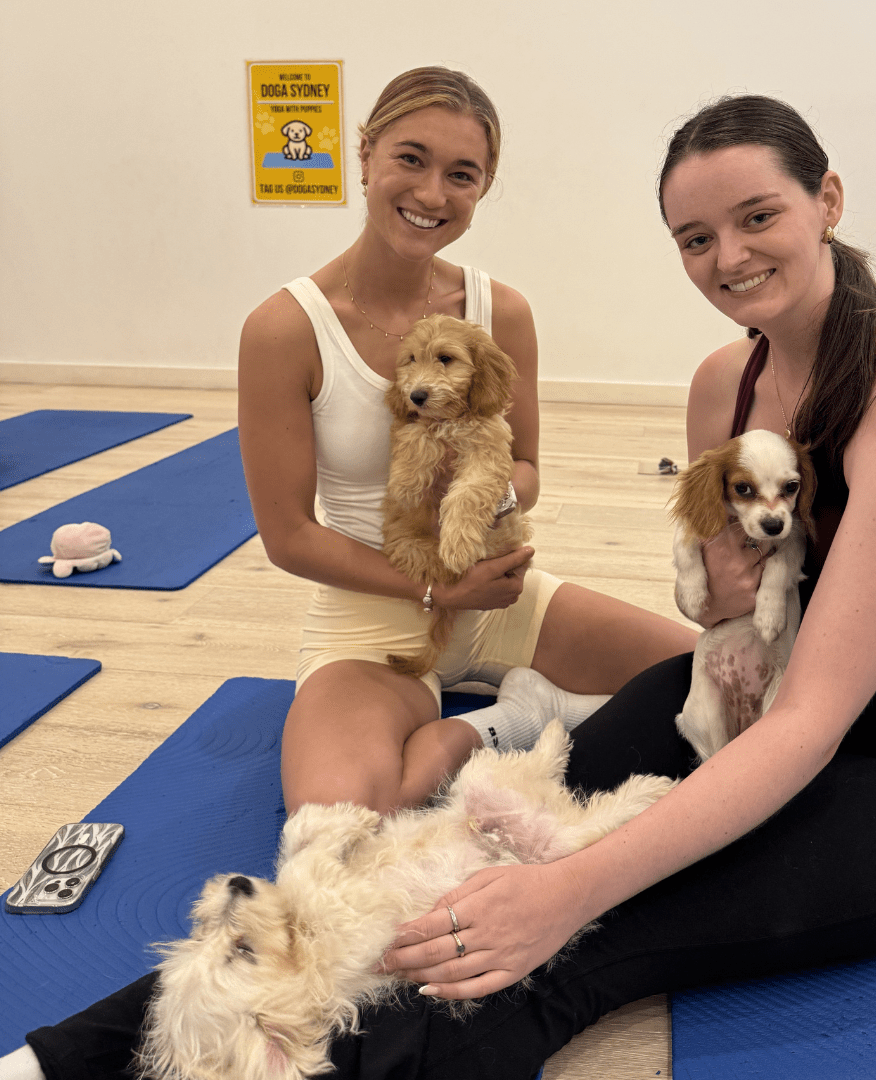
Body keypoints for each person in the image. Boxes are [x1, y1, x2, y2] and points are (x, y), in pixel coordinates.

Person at [7, 94, 876, 1080]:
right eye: (695, 237)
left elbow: (812, 721)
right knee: (427, 863)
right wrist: (716, 599)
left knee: (547, 953)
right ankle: (63, 1058)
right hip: (734, 699)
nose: (729, 257)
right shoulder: (722, 385)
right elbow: (724, 617)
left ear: (827, 200)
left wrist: (568, 887)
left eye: (758, 218)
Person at [234, 66, 695, 817]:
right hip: (370, 617)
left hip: (502, 596)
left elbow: (529, 470)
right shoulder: (284, 330)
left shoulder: (498, 312)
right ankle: (493, 731)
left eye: (462, 174)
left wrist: (485, 496)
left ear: (484, 187)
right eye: (410, 159)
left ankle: (502, 720)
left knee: (719, 686)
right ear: (365, 155)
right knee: (345, 819)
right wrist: (432, 587)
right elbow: (287, 537)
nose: (431, 195)